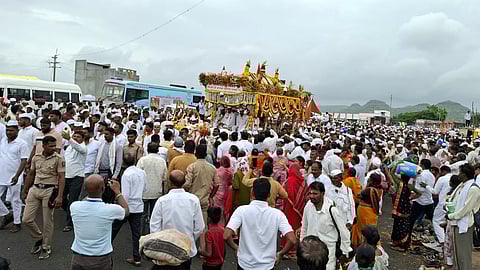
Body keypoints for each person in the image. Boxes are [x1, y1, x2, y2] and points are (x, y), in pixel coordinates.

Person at [224, 177, 297, 270]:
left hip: (245, 264)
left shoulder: (241, 211)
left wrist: (235, 248)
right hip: (267, 265)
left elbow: (226, 235)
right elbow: (292, 240)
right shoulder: (277, 214)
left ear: (252, 193)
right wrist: (281, 253)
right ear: (269, 195)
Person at [70, 175, 129, 270]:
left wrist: (90, 188)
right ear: (103, 189)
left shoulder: (74, 207)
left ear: (84, 189)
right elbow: (126, 211)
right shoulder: (110, 210)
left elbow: (85, 199)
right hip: (101, 259)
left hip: (79, 258)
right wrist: (117, 192)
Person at [150, 170, 205, 270]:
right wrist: (190, 239)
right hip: (186, 248)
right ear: (184, 182)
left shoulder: (162, 200)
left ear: (170, 182)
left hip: (166, 248)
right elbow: (199, 227)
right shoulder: (193, 200)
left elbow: (154, 226)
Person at [22, 135, 65, 260]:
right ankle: (38, 238)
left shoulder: (59, 158)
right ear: (44, 146)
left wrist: (60, 196)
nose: (53, 148)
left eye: (54, 146)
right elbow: (31, 173)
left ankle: (46, 246)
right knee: (26, 219)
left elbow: (61, 178)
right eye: (50, 146)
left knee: (47, 221)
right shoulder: (36, 157)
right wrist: (25, 190)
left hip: (49, 190)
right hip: (35, 188)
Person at [301, 182, 352, 270]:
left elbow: (344, 232)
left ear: (323, 194)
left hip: (329, 252)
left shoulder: (332, 210)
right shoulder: (308, 206)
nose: (311, 196)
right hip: (310, 252)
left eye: (315, 193)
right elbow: (304, 227)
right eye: (310, 193)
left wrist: (345, 252)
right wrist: (302, 245)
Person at [111, 153, 147, 267]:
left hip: (126, 207)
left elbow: (125, 194)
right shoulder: (142, 172)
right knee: (136, 234)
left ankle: (102, 251)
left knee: (113, 230)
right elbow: (145, 188)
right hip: (138, 206)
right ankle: (137, 257)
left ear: (124, 163)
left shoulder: (126, 174)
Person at [447, 164, 480, 270]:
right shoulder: (463, 185)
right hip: (457, 222)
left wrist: (452, 216)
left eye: (460, 173)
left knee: (464, 255)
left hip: (464, 224)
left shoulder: (473, 189)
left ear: (465, 175)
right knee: (458, 254)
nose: (458, 175)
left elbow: (466, 209)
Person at [0, 120, 29, 233]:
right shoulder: (2, 141)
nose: (9, 132)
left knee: (15, 200)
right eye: (7, 130)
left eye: (11, 130)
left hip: (14, 176)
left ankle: (17, 223)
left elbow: (23, 161)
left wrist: (17, 175)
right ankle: (7, 214)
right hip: (2, 174)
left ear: (17, 130)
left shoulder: (22, 144)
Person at [184, 144, 217, 228]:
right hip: (204, 200)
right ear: (206, 155)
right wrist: (211, 196)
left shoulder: (192, 167)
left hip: (192, 200)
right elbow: (217, 185)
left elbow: (187, 184)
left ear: (196, 154)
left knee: (191, 224)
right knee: (203, 225)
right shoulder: (212, 168)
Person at [136, 142, 167, 233]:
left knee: (143, 215)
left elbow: (137, 175)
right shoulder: (162, 161)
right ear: (158, 150)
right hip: (157, 192)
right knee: (154, 216)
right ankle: (152, 235)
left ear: (147, 149)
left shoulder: (142, 160)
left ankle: (141, 235)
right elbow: (165, 178)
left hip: (144, 192)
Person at [61, 130, 87, 233]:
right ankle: (75, 212)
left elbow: (78, 147)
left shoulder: (83, 148)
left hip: (77, 177)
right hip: (66, 176)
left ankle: (69, 223)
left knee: (72, 200)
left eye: (78, 137)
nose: (76, 138)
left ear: (83, 139)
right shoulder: (69, 148)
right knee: (62, 199)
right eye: (74, 136)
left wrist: (69, 139)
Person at [281, 160, 307, 259]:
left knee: (287, 227)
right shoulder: (303, 181)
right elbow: (305, 194)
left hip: (288, 208)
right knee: (297, 227)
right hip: (299, 209)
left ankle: (286, 249)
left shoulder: (288, 181)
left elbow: (284, 194)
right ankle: (295, 250)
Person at [385, 164, 412, 251]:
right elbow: (419, 193)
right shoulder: (410, 186)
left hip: (400, 208)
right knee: (403, 225)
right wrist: (410, 198)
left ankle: (398, 244)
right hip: (406, 208)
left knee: (398, 225)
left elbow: (392, 173)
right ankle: (399, 243)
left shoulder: (400, 184)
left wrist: (397, 164)